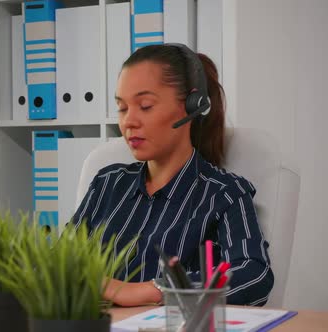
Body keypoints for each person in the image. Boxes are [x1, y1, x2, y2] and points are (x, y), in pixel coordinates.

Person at [71, 44, 273, 306]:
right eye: (122, 108)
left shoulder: (224, 193)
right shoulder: (107, 183)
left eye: (145, 106)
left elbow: (253, 275)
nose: (128, 122)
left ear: (191, 106)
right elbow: (62, 260)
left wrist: (153, 290)